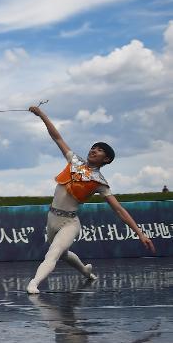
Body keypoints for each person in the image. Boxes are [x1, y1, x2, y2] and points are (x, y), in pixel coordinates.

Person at [26, 105, 155, 294]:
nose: (94, 150)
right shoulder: (74, 161)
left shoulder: (100, 182)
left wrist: (140, 233)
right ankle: (85, 270)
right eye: (94, 147)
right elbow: (57, 137)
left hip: (69, 222)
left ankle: (34, 283)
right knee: (62, 254)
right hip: (52, 218)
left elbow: (119, 210)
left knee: (53, 253)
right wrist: (42, 115)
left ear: (107, 160)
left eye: (100, 150)